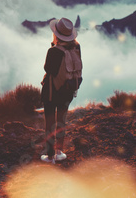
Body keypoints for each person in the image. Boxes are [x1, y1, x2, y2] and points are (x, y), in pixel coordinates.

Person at [40, 17, 82, 163]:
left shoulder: (53, 51)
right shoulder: (76, 47)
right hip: (68, 90)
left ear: (56, 34)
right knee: (61, 120)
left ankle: (50, 156)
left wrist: (53, 46)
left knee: (50, 122)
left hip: (52, 92)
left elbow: (48, 69)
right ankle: (59, 152)